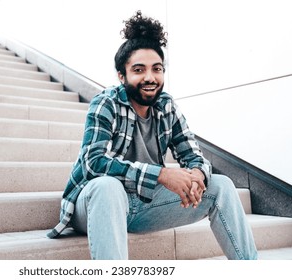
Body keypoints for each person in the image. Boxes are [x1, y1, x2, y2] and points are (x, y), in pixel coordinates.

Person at [47, 10, 258, 260]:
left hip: (144, 205)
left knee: (221, 185)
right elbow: (94, 163)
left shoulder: (166, 106)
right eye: (139, 70)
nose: (150, 77)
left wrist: (197, 174)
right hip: (95, 205)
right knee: (107, 187)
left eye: (156, 69)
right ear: (121, 76)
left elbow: (194, 155)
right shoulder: (106, 104)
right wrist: (162, 174)